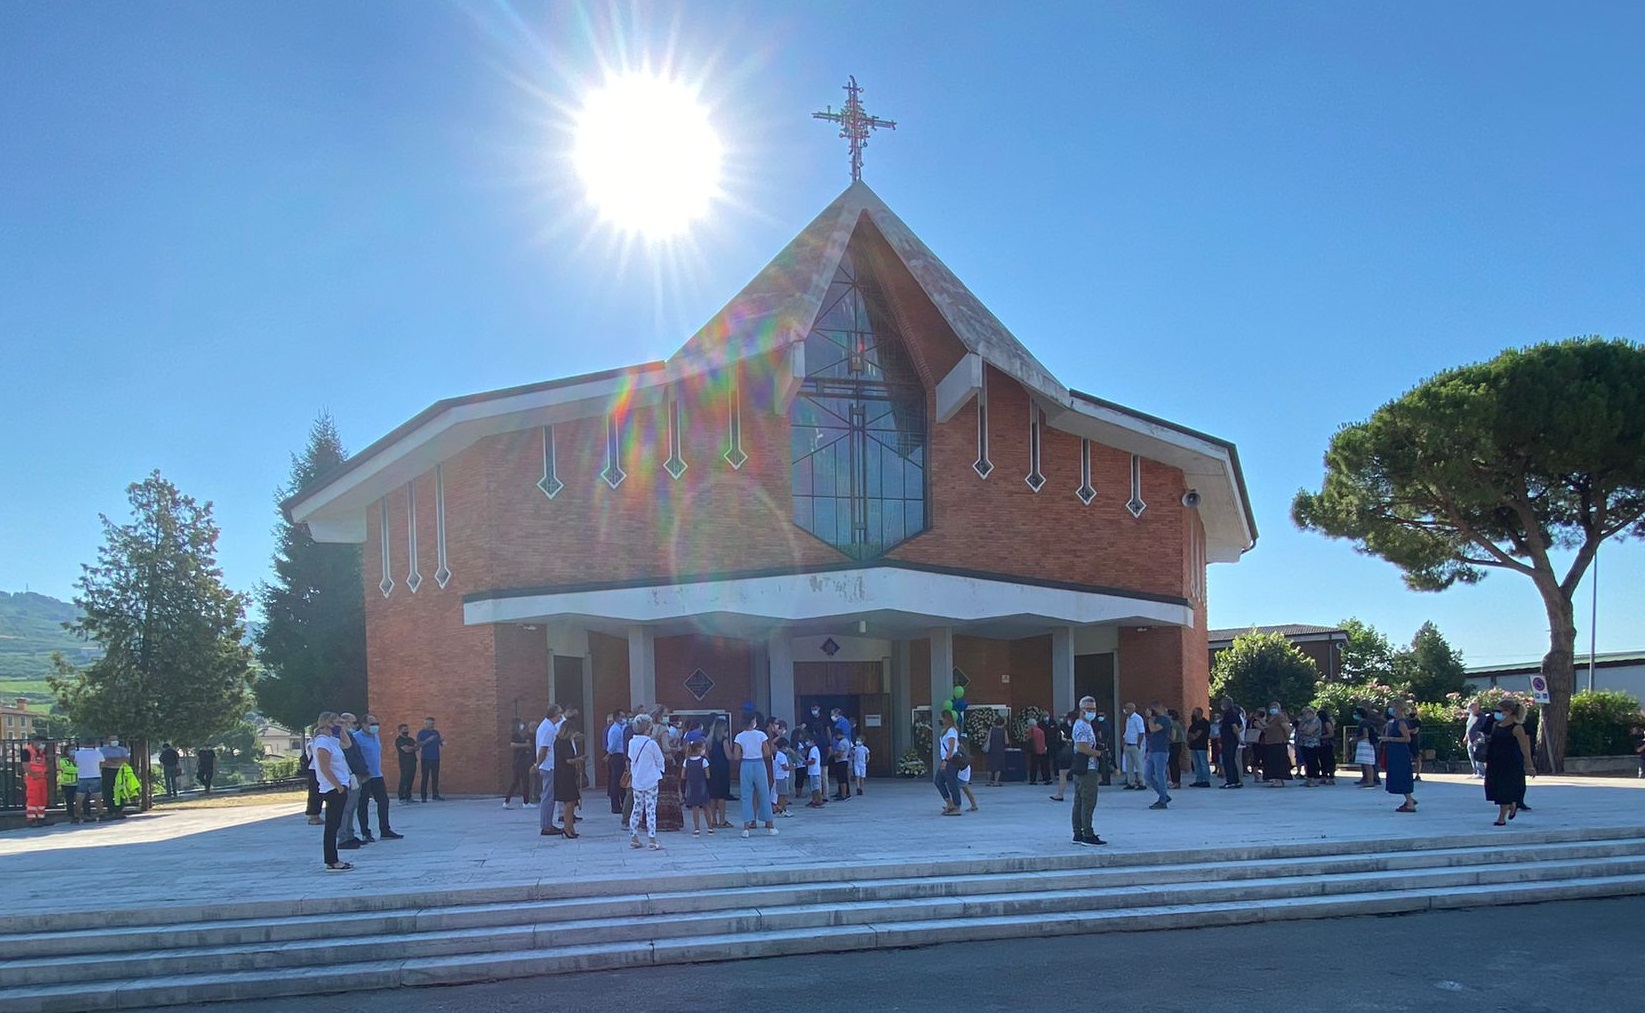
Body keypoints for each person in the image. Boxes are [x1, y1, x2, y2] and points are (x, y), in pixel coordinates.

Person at [311, 712, 353, 871]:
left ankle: (333, 859)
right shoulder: (322, 742)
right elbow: (324, 768)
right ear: (327, 723)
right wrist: (339, 787)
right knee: (332, 825)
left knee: (335, 824)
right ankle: (332, 860)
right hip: (333, 788)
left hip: (340, 785)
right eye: (337, 722)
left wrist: (342, 730)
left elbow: (347, 744)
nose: (340, 724)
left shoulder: (331, 740)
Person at [1484, 698, 1535, 825]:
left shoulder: (1517, 728)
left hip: (1511, 762)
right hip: (1495, 762)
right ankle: (1512, 805)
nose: (1496, 713)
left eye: (1499, 711)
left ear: (1508, 712)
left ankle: (1501, 818)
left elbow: (1524, 748)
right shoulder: (1496, 725)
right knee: (1495, 789)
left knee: (1505, 790)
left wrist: (1529, 765)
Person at [354, 714, 401, 840]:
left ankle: (385, 830)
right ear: (363, 724)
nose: (375, 726)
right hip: (364, 776)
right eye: (371, 724)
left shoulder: (375, 736)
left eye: (376, 724)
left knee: (383, 801)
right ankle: (365, 832)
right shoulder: (356, 737)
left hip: (377, 775)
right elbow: (354, 757)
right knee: (363, 804)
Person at [732, 714, 777, 837]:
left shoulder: (739, 736)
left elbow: (736, 756)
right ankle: (770, 826)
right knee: (764, 794)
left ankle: (746, 828)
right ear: (753, 721)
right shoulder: (761, 735)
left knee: (746, 795)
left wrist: (746, 754)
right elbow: (767, 752)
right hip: (759, 764)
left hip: (746, 764)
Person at [1070, 695, 1107, 846]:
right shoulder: (1082, 726)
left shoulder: (1086, 725)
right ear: (1081, 710)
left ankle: (1078, 832)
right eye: (1088, 709)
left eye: (1093, 709)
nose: (1092, 712)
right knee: (1088, 801)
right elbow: (1081, 747)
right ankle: (1087, 833)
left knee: (1079, 801)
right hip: (1087, 768)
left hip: (1084, 767)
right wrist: (1099, 753)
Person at [625, 713, 665, 850]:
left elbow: (631, 758)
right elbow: (660, 760)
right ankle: (652, 839)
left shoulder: (632, 743)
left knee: (636, 808)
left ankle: (634, 837)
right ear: (648, 728)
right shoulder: (651, 743)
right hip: (651, 780)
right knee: (651, 809)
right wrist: (659, 771)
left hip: (637, 779)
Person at [335, 713, 370, 850]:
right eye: (353, 723)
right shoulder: (338, 738)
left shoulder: (349, 736)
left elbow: (357, 756)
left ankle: (350, 834)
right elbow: (348, 755)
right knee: (346, 808)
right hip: (349, 774)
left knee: (352, 806)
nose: (355, 725)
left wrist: (364, 771)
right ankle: (343, 837)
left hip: (356, 774)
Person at [552, 720, 586, 839]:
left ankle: (570, 827)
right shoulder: (564, 743)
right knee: (569, 802)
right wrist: (580, 760)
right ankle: (567, 827)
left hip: (563, 774)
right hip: (565, 775)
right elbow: (568, 760)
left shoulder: (558, 742)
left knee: (571, 802)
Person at [1384, 702, 1418, 812]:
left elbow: (1407, 738)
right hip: (1395, 752)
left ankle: (1410, 803)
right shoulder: (1394, 722)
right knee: (1398, 775)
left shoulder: (1401, 723)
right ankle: (1410, 799)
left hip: (1400, 752)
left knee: (1402, 775)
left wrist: (1390, 739)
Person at [536, 704, 564, 836]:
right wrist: (537, 764)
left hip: (549, 765)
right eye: (559, 713)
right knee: (548, 796)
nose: (561, 716)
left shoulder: (548, 726)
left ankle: (547, 823)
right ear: (554, 714)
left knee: (549, 796)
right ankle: (546, 826)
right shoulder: (547, 728)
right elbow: (544, 749)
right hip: (548, 766)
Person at [934, 709, 966, 816]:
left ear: (946, 718)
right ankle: (949, 802)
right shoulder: (945, 730)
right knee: (938, 781)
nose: (939, 719)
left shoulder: (951, 731)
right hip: (946, 759)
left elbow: (951, 747)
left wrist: (946, 760)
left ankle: (957, 806)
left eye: (941, 717)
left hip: (950, 760)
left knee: (952, 783)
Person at [1142, 703, 1172, 810]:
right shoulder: (1154, 719)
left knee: (1160, 775)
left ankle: (1162, 801)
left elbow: (1154, 729)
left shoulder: (1164, 720)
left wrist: (1150, 718)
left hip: (1161, 751)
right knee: (1147, 775)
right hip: (1152, 750)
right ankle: (1164, 795)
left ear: (1158, 708)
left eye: (1152, 709)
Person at [708, 718, 734, 827]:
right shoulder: (723, 740)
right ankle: (722, 820)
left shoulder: (709, 741)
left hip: (712, 768)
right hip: (722, 769)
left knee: (713, 795)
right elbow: (729, 756)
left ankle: (712, 819)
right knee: (722, 796)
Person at [684, 739, 711, 834]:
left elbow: (683, 775)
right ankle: (710, 827)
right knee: (706, 805)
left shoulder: (686, 761)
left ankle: (696, 828)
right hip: (702, 785)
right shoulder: (703, 761)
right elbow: (708, 776)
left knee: (695, 807)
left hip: (691, 785)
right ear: (699, 749)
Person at [100, 735, 131, 819]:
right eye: (112, 740)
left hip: (119, 771)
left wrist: (111, 761)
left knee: (120, 790)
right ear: (108, 741)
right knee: (108, 791)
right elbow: (102, 762)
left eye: (116, 739)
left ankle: (119, 810)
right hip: (107, 771)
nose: (114, 741)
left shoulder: (122, 750)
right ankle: (110, 810)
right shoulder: (102, 750)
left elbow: (125, 760)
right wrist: (117, 760)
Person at [73, 739, 104, 821]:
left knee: (79, 797)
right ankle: (101, 814)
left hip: (82, 776)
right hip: (95, 775)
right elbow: (102, 763)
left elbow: (75, 763)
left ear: (83, 744)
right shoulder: (98, 753)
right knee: (97, 797)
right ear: (94, 744)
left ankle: (76, 815)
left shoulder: (78, 753)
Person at [1261, 704, 1291, 787]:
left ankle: (1279, 780)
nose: (1272, 709)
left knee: (1279, 762)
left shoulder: (1280, 717)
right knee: (1273, 762)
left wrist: (1286, 737)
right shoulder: (1271, 718)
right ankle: (1276, 780)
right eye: (1271, 708)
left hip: (1279, 742)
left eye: (1275, 708)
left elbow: (1287, 728)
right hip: (1271, 742)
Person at [416, 717, 445, 802]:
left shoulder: (436, 732)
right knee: (425, 777)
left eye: (432, 723)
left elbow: (440, 743)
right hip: (426, 758)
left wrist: (442, 741)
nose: (431, 725)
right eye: (429, 723)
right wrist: (428, 740)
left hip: (436, 757)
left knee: (435, 777)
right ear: (425, 724)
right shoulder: (421, 733)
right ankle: (423, 797)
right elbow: (419, 744)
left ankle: (435, 795)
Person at [604, 711, 627, 814]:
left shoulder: (620, 728)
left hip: (619, 755)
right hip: (616, 756)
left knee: (620, 781)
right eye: (622, 716)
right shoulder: (615, 730)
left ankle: (622, 803)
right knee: (616, 782)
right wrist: (608, 755)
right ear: (617, 717)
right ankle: (615, 806)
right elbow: (612, 745)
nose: (624, 718)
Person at [1353, 706, 1381, 787]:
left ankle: (1370, 781)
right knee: (1366, 764)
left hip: (1365, 744)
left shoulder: (1364, 723)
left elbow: (1365, 735)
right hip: (1365, 744)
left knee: (1368, 763)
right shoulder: (1365, 722)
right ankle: (1368, 780)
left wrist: (1356, 739)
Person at [23, 743, 49, 827]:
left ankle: (41, 818)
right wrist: (35, 775)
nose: (42, 745)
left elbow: (43, 764)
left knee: (42, 799)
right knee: (33, 798)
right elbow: (26, 766)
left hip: (42, 778)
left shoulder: (41, 752)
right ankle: (32, 819)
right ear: (35, 742)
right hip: (33, 778)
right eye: (41, 743)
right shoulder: (27, 751)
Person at [1296, 706, 1324, 787]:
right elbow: (1299, 729)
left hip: (1312, 744)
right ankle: (1309, 779)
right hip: (1304, 743)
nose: (1305, 715)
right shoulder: (1306, 721)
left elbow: (1309, 731)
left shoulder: (1316, 720)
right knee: (1307, 762)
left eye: (1306, 713)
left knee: (1313, 762)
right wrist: (1303, 721)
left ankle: (1314, 779)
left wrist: (1303, 731)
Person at [1121, 703, 1145, 790]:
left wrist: (1138, 744)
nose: (1125, 710)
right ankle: (1131, 782)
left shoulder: (1138, 718)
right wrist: (1124, 740)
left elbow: (1141, 732)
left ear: (1132, 709)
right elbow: (1127, 731)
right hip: (1128, 744)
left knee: (1138, 764)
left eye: (1127, 708)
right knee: (1129, 765)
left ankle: (1142, 782)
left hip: (1135, 745)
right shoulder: (1128, 719)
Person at [1187, 707, 1213, 788]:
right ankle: (1199, 780)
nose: (1193, 714)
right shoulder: (1194, 723)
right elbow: (1189, 734)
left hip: (1201, 746)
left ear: (1200, 713)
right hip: (1193, 746)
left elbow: (1196, 735)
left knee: (1203, 763)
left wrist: (1192, 736)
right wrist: (1190, 738)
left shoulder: (1204, 723)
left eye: (1195, 712)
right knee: (1196, 764)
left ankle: (1206, 780)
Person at [394, 724, 418, 803]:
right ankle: (402, 797)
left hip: (413, 761)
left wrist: (411, 748)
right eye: (404, 729)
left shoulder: (411, 739)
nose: (406, 731)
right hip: (404, 762)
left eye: (407, 729)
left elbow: (417, 747)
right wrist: (412, 748)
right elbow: (406, 750)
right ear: (400, 730)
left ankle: (408, 796)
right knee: (404, 779)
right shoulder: (399, 740)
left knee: (411, 779)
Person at [1465, 701, 1490, 779]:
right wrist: (1466, 737)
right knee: (1471, 755)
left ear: (1476, 707)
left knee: (1478, 755)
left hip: (1478, 738)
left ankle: (1481, 773)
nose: (1469, 708)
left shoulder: (1481, 716)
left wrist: (1480, 735)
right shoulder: (1471, 716)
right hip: (1470, 739)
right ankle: (1475, 772)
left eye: (1471, 707)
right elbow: (1469, 727)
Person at [57, 747, 80, 823]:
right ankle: (71, 816)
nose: (73, 751)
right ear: (66, 751)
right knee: (69, 801)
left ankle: (78, 815)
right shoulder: (63, 760)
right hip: (67, 783)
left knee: (80, 800)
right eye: (71, 749)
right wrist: (79, 770)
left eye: (74, 749)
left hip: (78, 783)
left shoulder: (78, 759)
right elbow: (66, 769)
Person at [828, 728, 852, 801]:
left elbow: (839, 754)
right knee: (843, 778)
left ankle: (843, 795)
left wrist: (832, 754)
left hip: (841, 762)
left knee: (841, 779)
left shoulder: (842, 743)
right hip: (844, 761)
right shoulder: (846, 741)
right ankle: (843, 792)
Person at [772, 737, 794, 815]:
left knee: (783, 794)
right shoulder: (781, 755)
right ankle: (781, 809)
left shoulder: (778, 754)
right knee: (782, 795)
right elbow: (784, 767)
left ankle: (784, 809)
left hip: (781, 777)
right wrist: (792, 767)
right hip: (781, 777)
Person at [984, 715, 1007, 787]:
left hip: (991, 749)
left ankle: (988, 781)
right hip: (1000, 749)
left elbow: (986, 738)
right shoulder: (1004, 731)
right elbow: (1006, 741)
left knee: (990, 765)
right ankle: (996, 782)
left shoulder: (991, 729)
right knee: (998, 766)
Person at [1165, 708, 1185, 790]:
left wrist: (1166, 736)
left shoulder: (1173, 724)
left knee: (1173, 764)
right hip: (1178, 745)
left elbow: (1173, 737)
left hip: (1174, 745)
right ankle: (1176, 782)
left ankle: (1175, 782)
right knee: (1174, 763)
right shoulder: (1177, 723)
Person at [1027, 716, 1050, 785]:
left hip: (1035, 750)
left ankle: (1033, 780)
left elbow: (1029, 740)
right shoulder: (1040, 731)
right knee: (1044, 765)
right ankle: (1047, 778)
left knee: (1034, 766)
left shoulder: (1031, 730)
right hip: (1042, 749)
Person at [805, 735, 826, 808]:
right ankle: (814, 800)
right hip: (812, 771)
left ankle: (819, 800)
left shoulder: (813, 750)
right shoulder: (813, 749)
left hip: (815, 771)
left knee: (816, 787)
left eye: (808, 740)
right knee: (813, 787)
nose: (807, 742)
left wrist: (806, 762)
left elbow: (813, 761)